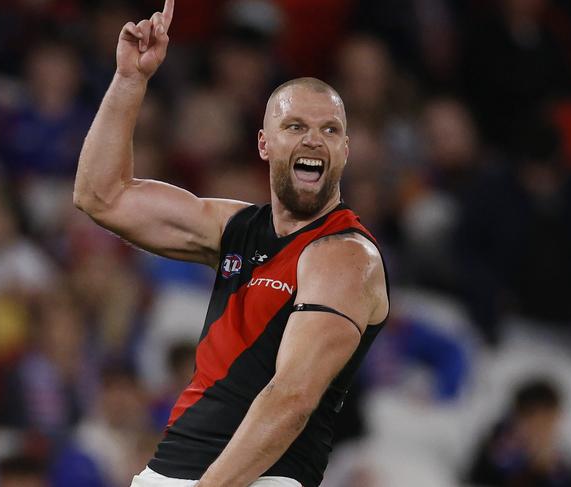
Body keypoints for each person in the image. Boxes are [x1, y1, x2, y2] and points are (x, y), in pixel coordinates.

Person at [73, 1, 390, 486]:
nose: (314, 141)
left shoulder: (346, 256)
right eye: (296, 127)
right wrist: (130, 80)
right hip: (170, 470)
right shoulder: (236, 227)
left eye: (330, 130)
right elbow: (101, 195)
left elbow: (292, 398)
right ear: (265, 144)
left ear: (345, 150)